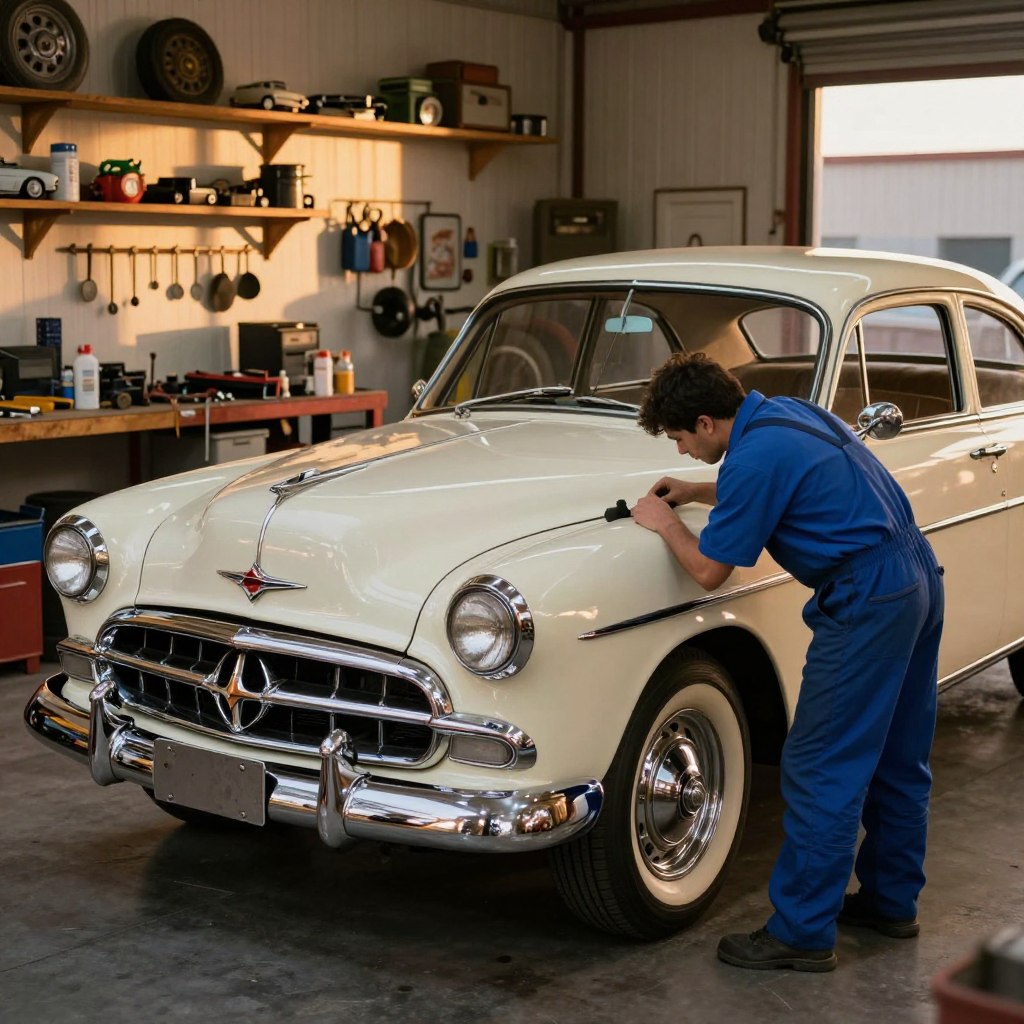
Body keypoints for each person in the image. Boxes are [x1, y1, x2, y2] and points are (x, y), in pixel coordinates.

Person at [632, 352, 945, 973]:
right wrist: (700, 490)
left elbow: (708, 571)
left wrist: (664, 520)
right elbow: (778, 479)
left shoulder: (752, 457)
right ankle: (890, 902)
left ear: (706, 421)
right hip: (917, 576)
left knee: (820, 764)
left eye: (680, 439)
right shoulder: (786, 414)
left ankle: (802, 932)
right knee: (898, 754)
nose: (680, 451)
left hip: (866, 597)